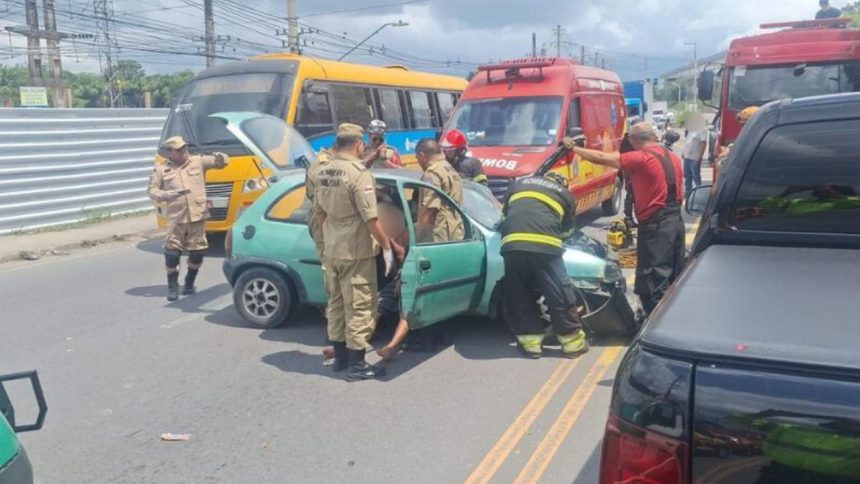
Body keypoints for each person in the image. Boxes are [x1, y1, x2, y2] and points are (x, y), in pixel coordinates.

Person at [566, 122, 685, 315]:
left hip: (657, 226)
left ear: (634, 140)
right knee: (675, 271)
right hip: (675, 221)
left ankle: (653, 321)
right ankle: (674, 314)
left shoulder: (641, 158)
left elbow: (600, 158)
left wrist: (574, 148)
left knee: (653, 277)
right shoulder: (672, 157)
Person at [313, 123, 394, 381]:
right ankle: (357, 366)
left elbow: (319, 213)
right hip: (356, 251)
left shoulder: (323, 171)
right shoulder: (359, 174)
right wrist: (387, 247)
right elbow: (371, 218)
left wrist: (323, 244)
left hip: (332, 248)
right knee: (360, 305)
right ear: (359, 145)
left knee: (336, 305)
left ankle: (341, 359)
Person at [499, 171, 588, 359]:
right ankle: (573, 345)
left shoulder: (519, 184)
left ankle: (531, 345)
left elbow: (505, 214)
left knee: (520, 294)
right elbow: (567, 231)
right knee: (559, 293)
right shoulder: (565, 194)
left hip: (512, 246)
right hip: (546, 249)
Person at [148, 136, 228, 301]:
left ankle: (189, 281)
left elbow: (221, 163)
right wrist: (164, 194)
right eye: (178, 150)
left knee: (197, 253)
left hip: (197, 216)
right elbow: (151, 191)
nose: (183, 151)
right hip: (176, 219)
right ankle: (172, 286)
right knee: (172, 254)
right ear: (170, 152)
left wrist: (221, 156)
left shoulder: (198, 161)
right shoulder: (161, 169)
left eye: (184, 148)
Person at [415, 138, 465, 243]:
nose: (418, 162)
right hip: (456, 231)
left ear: (422, 155)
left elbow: (430, 210)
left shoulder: (432, 173)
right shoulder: (449, 168)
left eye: (417, 158)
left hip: (439, 235)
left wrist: (416, 237)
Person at [716, 106, 759, 172]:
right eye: (742, 125)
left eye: (744, 125)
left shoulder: (746, 145)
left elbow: (723, 168)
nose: (742, 128)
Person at [681, 127, 708, 196]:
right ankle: (688, 193)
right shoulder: (691, 130)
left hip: (695, 157)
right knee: (687, 176)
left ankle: (698, 193)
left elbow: (703, 143)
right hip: (687, 157)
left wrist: (700, 156)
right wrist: (684, 152)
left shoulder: (702, 130)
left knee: (695, 176)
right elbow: (687, 142)